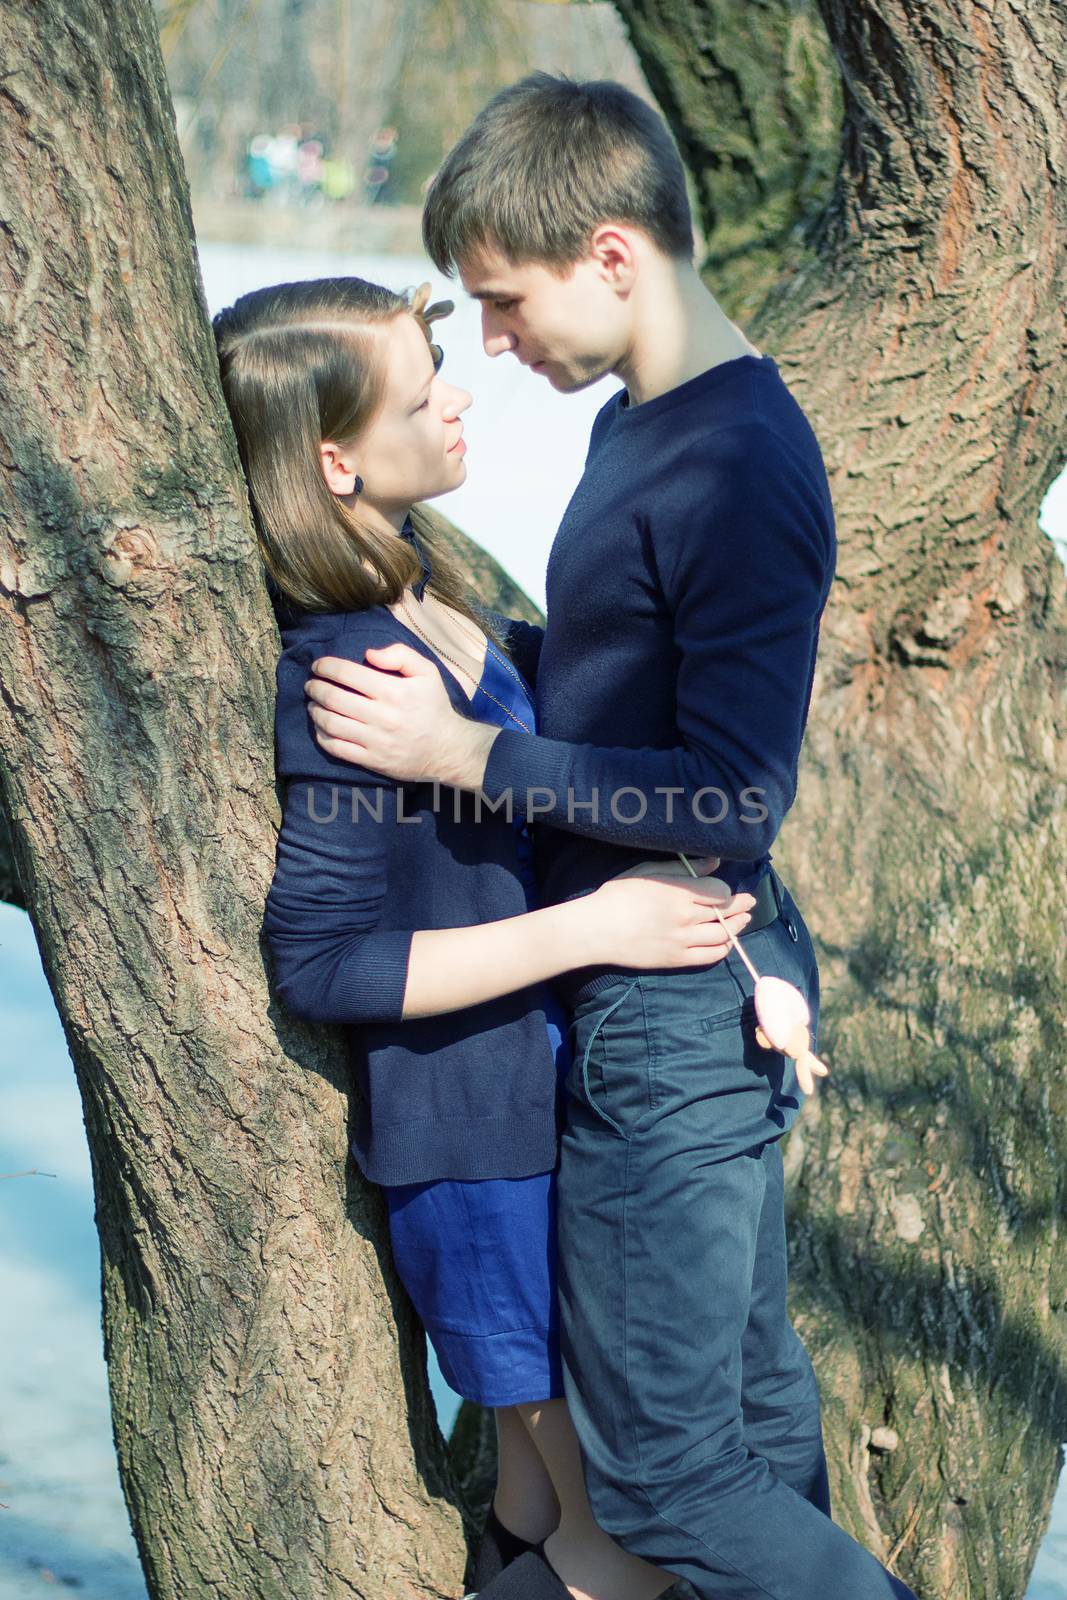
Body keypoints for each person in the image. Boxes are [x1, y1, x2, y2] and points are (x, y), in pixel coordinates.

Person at [302, 75, 922, 1600]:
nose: (496, 348)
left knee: (664, 1479)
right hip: (675, 988)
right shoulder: (652, 424)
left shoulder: (739, 463)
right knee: (750, 1434)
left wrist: (470, 754)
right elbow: (627, 663)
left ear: (612, 255)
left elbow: (729, 794)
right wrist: (483, 643)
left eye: (507, 305)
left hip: (670, 1008)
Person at [211, 274, 758, 1600]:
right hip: (476, 1154)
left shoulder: (434, 604)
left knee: (542, 1505)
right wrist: (598, 923)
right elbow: (325, 962)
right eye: (421, 392)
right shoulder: (348, 672)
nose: (459, 400)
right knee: (614, 1552)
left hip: (547, 1111)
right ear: (335, 459)